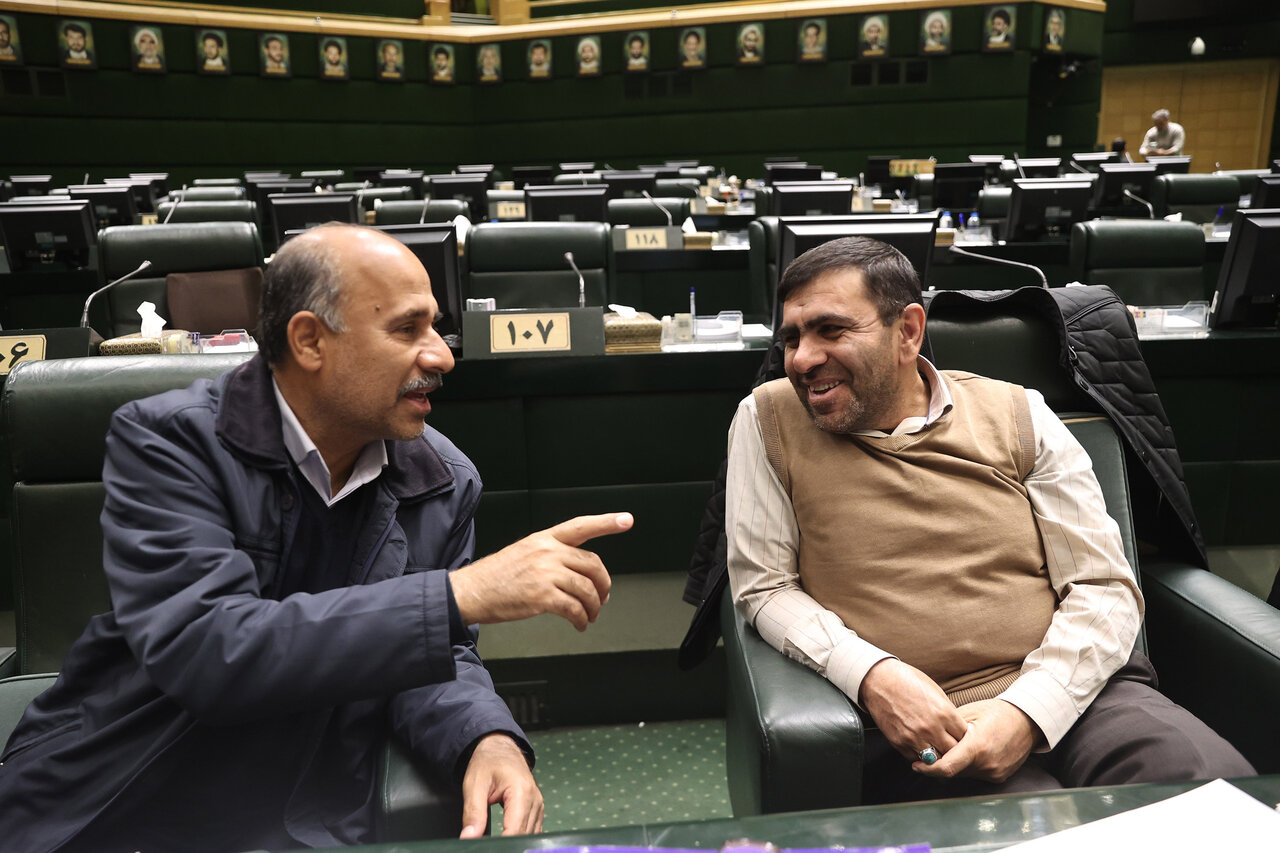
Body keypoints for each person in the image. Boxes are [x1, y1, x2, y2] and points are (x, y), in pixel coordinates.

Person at [0, 224, 636, 851]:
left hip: (300, 806)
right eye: (407, 329)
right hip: (128, 791)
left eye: (435, 328)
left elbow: (433, 657)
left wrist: (485, 737)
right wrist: (458, 594)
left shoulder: (441, 478)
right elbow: (210, 650)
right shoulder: (171, 443)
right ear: (309, 340)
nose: (442, 355)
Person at [726, 236, 1254, 805]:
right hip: (921, 720)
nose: (802, 359)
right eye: (791, 338)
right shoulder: (767, 419)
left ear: (908, 331)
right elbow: (765, 586)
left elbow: (1102, 585)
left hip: (1081, 692)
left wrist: (1027, 711)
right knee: (1019, 828)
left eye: (831, 330)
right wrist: (873, 676)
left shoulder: (1019, 412)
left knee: (1213, 796)